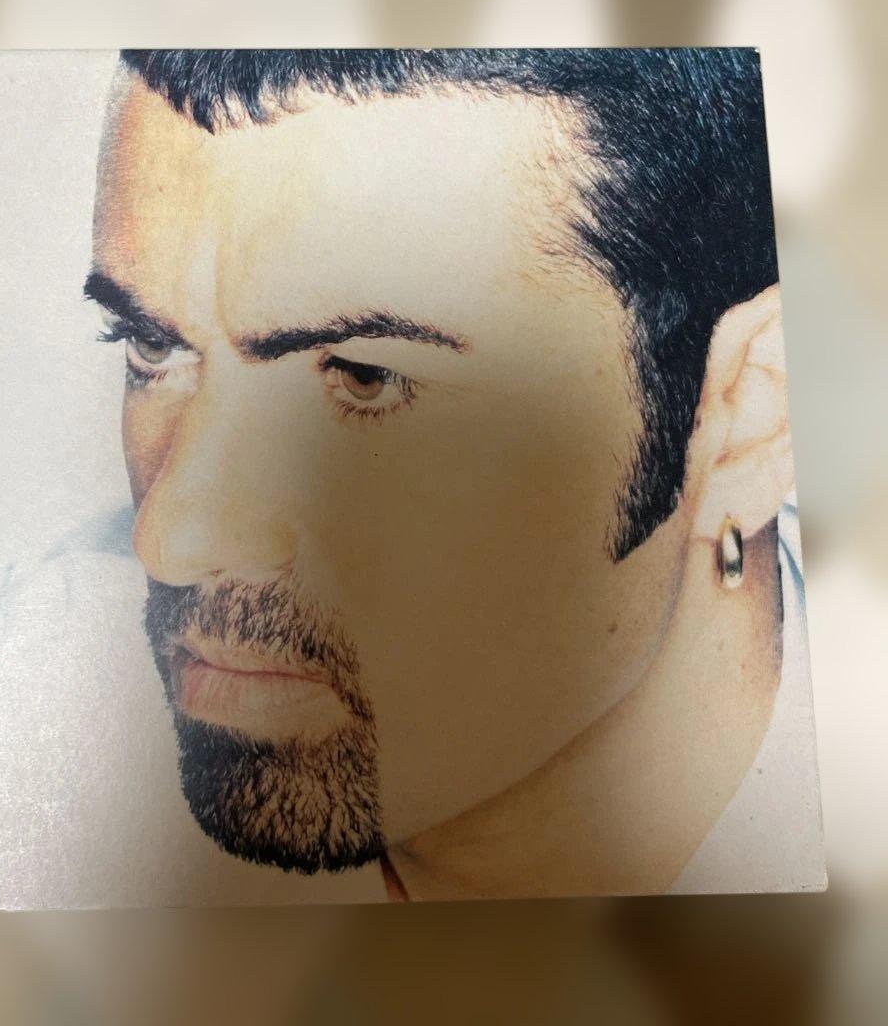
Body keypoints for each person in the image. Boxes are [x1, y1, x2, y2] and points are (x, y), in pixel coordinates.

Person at [83, 49, 802, 900]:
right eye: (152, 347)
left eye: (367, 377)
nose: (167, 540)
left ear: (745, 417)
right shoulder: (35, 716)